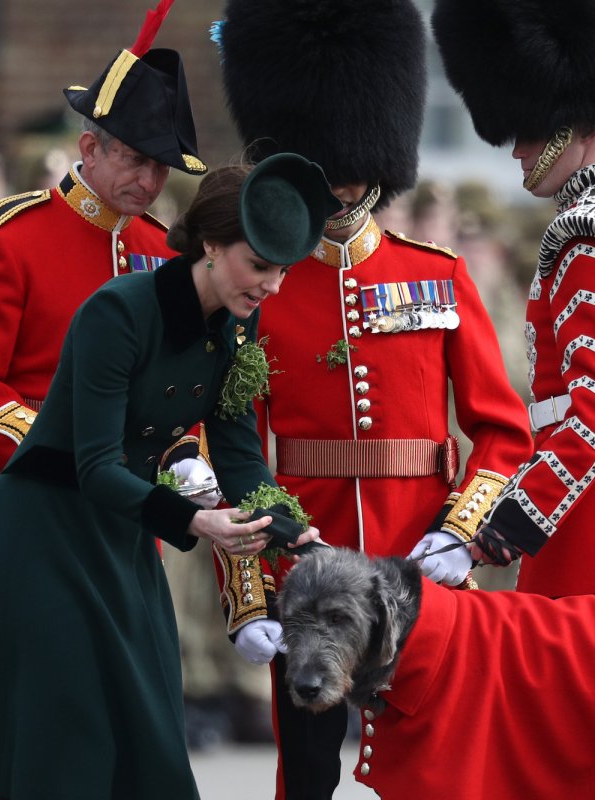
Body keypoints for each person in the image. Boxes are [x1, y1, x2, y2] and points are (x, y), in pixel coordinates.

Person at [0, 153, 338, 800]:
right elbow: (95, 463)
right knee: (64, 749)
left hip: (122, 531)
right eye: (259, 266)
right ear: (212, 245)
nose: (271, 287)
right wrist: (196, 520)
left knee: (147, 737)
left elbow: (238, 452)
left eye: (282, 272)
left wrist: (291, 533)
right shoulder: (120, 311)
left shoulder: (240, 326)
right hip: (42, 532)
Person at [214, 1, 535, 797]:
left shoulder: (437, 274)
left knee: (432, 765)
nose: (345, 177)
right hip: (304, 557)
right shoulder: (265, 286)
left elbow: (502, 432)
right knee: (309, 773)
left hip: (420, 559)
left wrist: (462, 534)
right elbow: (236, 445)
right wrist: (250, 594)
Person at [0, 0, 208, 591]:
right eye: (134, 159)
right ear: (90, 148)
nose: (151, 182)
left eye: (162, 167)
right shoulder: (9, 238)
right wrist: (73, 451)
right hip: (25, 507)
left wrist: (181, 459)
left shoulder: (166, 251)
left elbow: (179, 384)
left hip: (127, 523)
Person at [432, 0, 595, 598]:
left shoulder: (584, 236)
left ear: (570, 121)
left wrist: (506, 526)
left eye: (526, 129)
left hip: (580, 513)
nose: (515, 149)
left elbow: (590, 413)